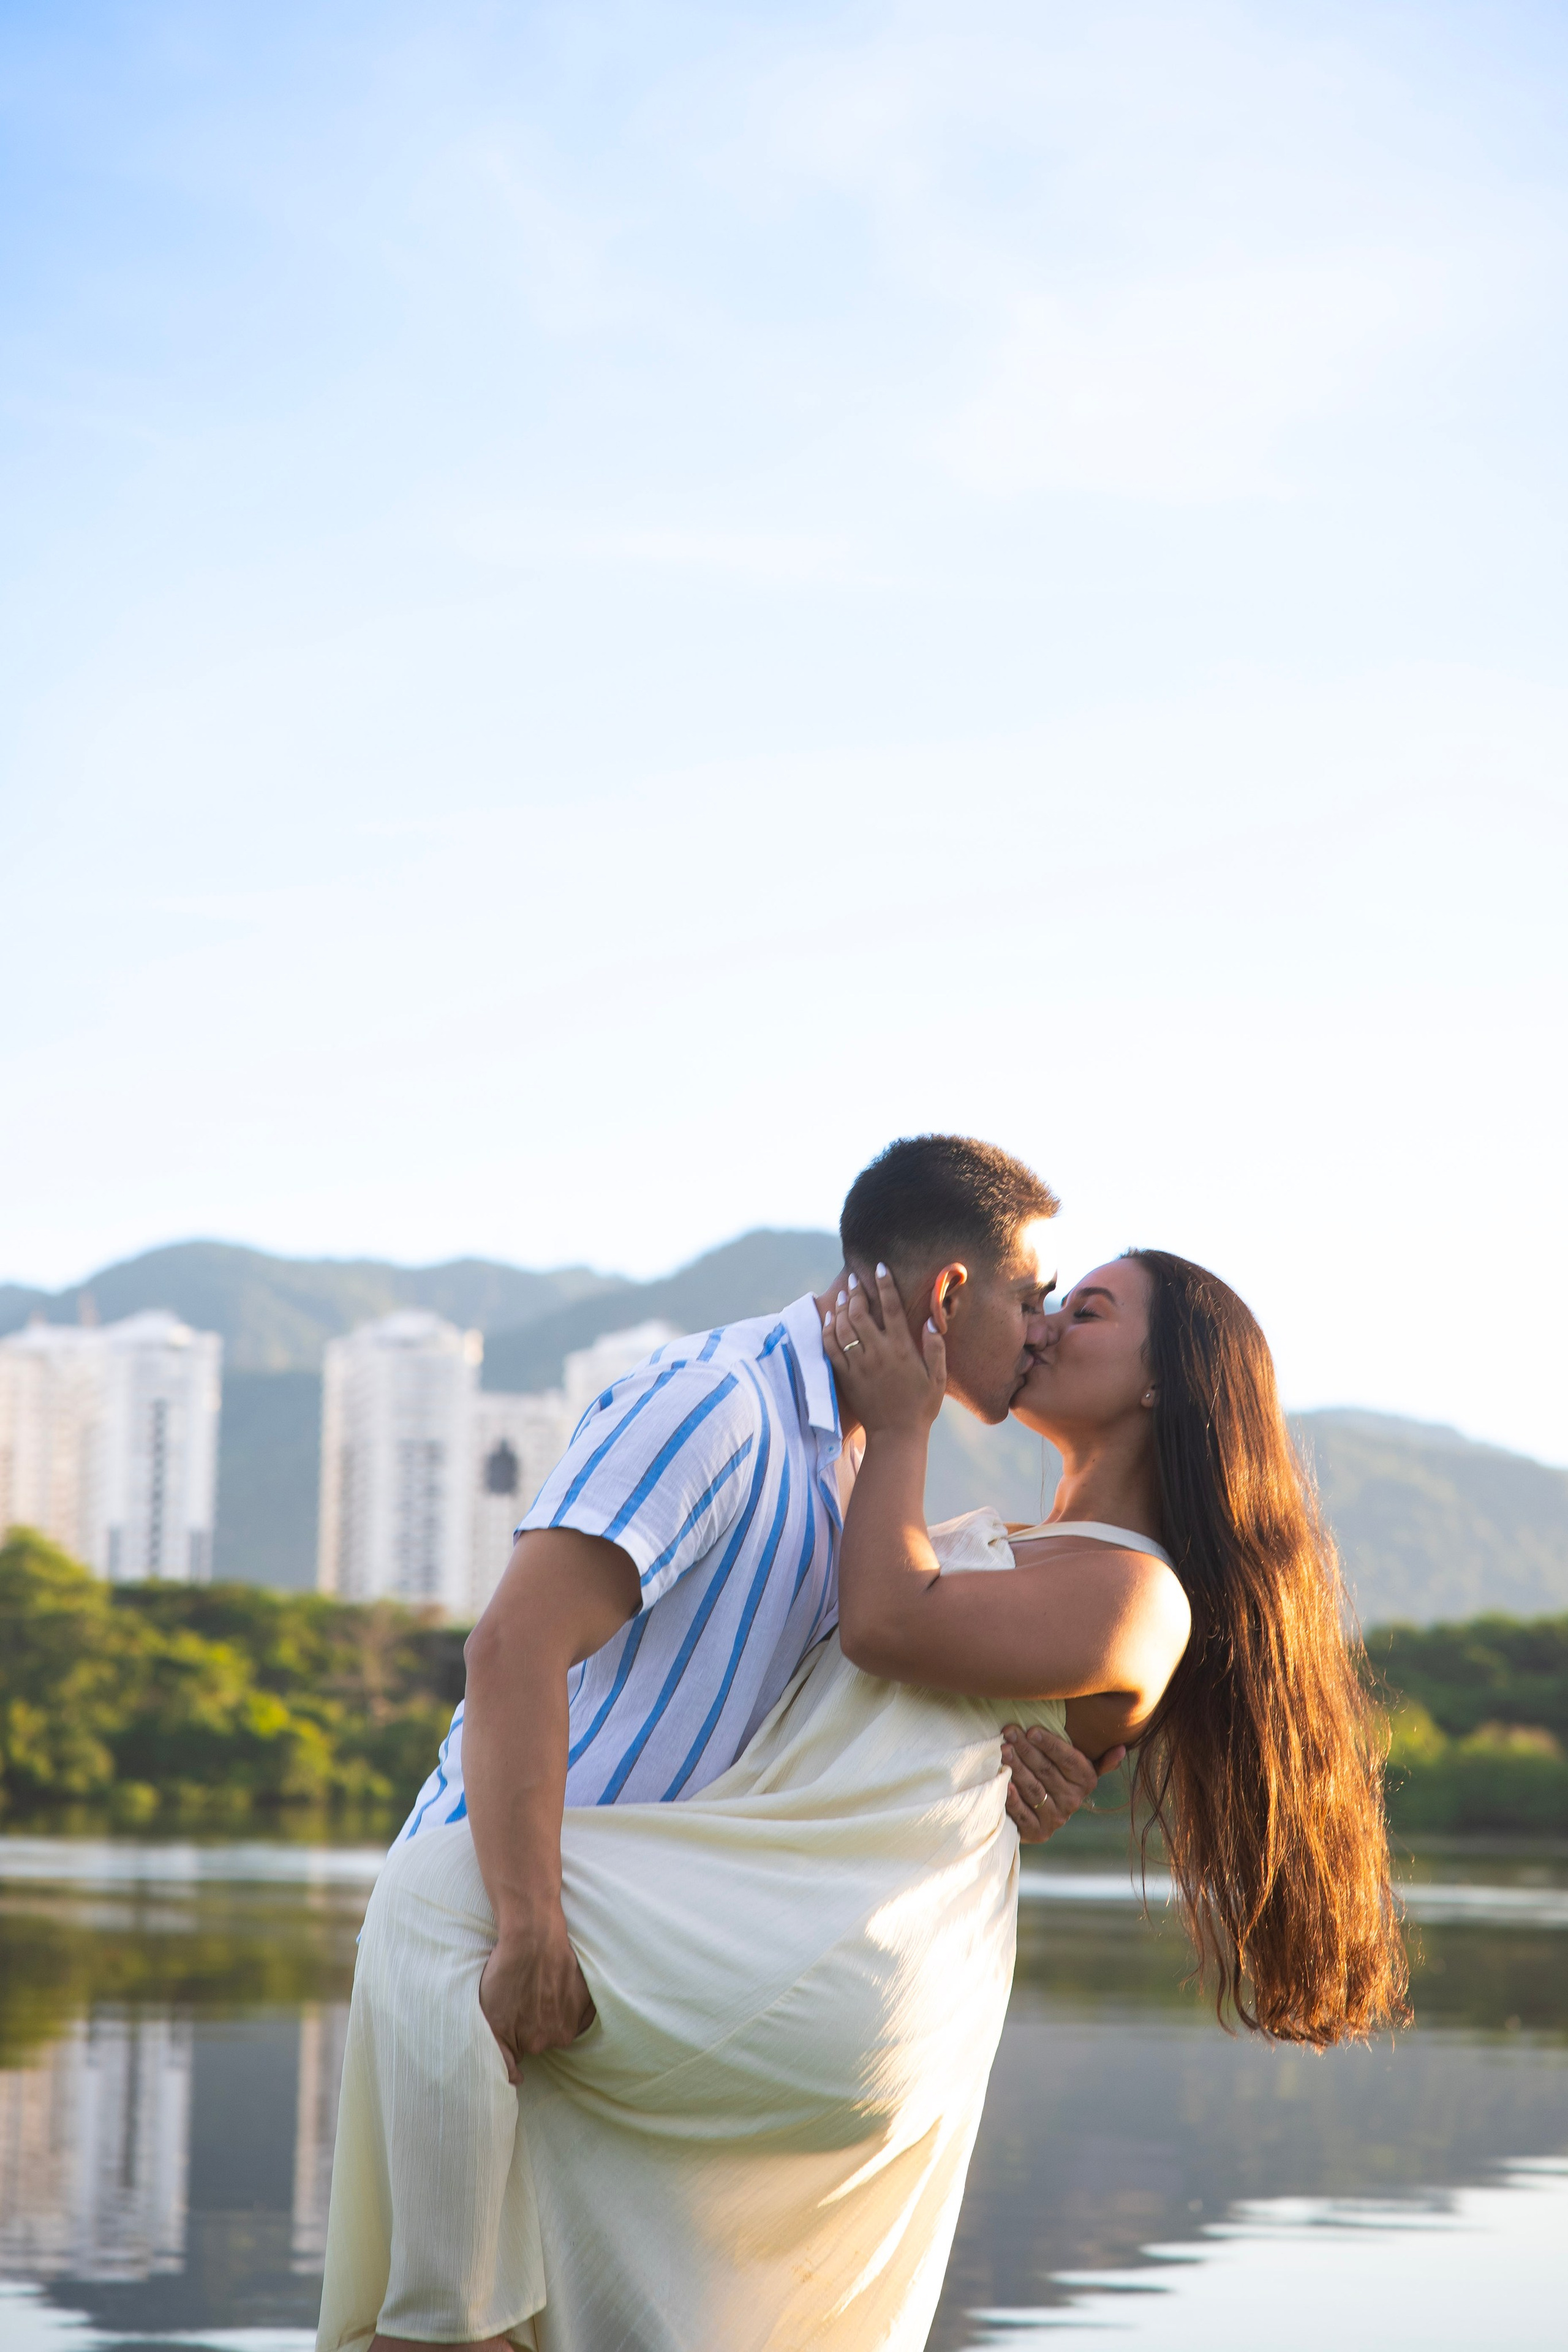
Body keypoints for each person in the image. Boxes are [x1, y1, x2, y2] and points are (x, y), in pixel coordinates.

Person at [320, 1136, 1118, 2352]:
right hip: (495, 1946)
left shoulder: (857, 1474)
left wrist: (993, 1767)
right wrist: (531, 1928)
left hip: (623, 1973)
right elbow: (508, 1652)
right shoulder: (719, 1403)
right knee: (445, 2342)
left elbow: (837, 1707)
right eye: (1030, 1297)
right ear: (950, 1296)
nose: (1044, 1328)